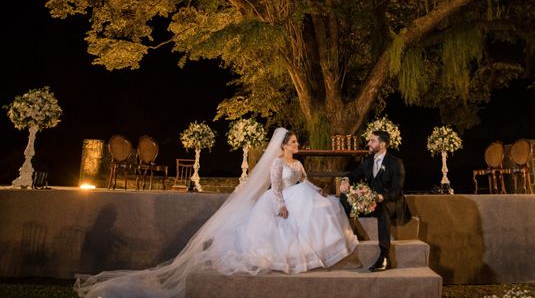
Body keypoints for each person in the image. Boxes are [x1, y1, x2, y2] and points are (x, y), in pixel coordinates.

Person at [75, 128, 357, 298]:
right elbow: (277, 187)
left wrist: (318, 190)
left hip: (301, 194)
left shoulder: (298, 163)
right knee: (287, 224)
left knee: (324, 205)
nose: (296, 146)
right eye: (293, 143)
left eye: (297, 143)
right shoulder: (276, 164)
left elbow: (304, 180)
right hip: (282, 199)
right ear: (283, 146)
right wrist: (281, 204)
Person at [339, 129, 412, 272]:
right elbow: (354, 174)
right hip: (371, 201)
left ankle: (384, 256)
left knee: (382, 208)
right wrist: (345, 180)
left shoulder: (396, 163)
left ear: (383, 144)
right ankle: (344, 241)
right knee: (344, 200)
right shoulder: (367, 161)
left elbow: (397, 191)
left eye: (372, 141)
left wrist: (381, 197)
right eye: (369, 140)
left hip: (391, 201)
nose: (368, 143)